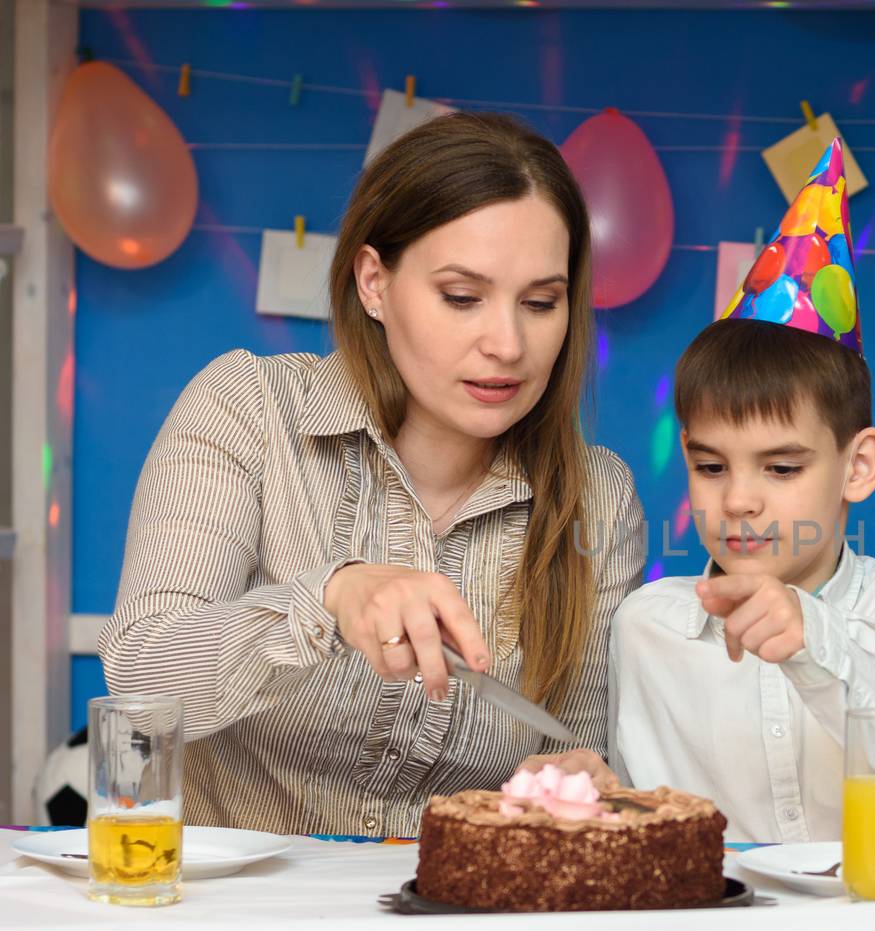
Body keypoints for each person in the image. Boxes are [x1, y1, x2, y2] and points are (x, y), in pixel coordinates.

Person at [99, 113, 643, 836]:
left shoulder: (597, 498)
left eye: (541, 303)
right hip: (227, 924)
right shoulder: (248, 411)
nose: (508, 343)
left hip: (447, 923)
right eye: (461, 296)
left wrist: (570, 781)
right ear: (374, 283)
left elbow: (572, 747)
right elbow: (141, 676)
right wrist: (327, 599)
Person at [608, 141, 875, 843]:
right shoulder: (647, 628)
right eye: (711, 466)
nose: (739, 502)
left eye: (781, 468)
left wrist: (815, 642)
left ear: (859, 466)